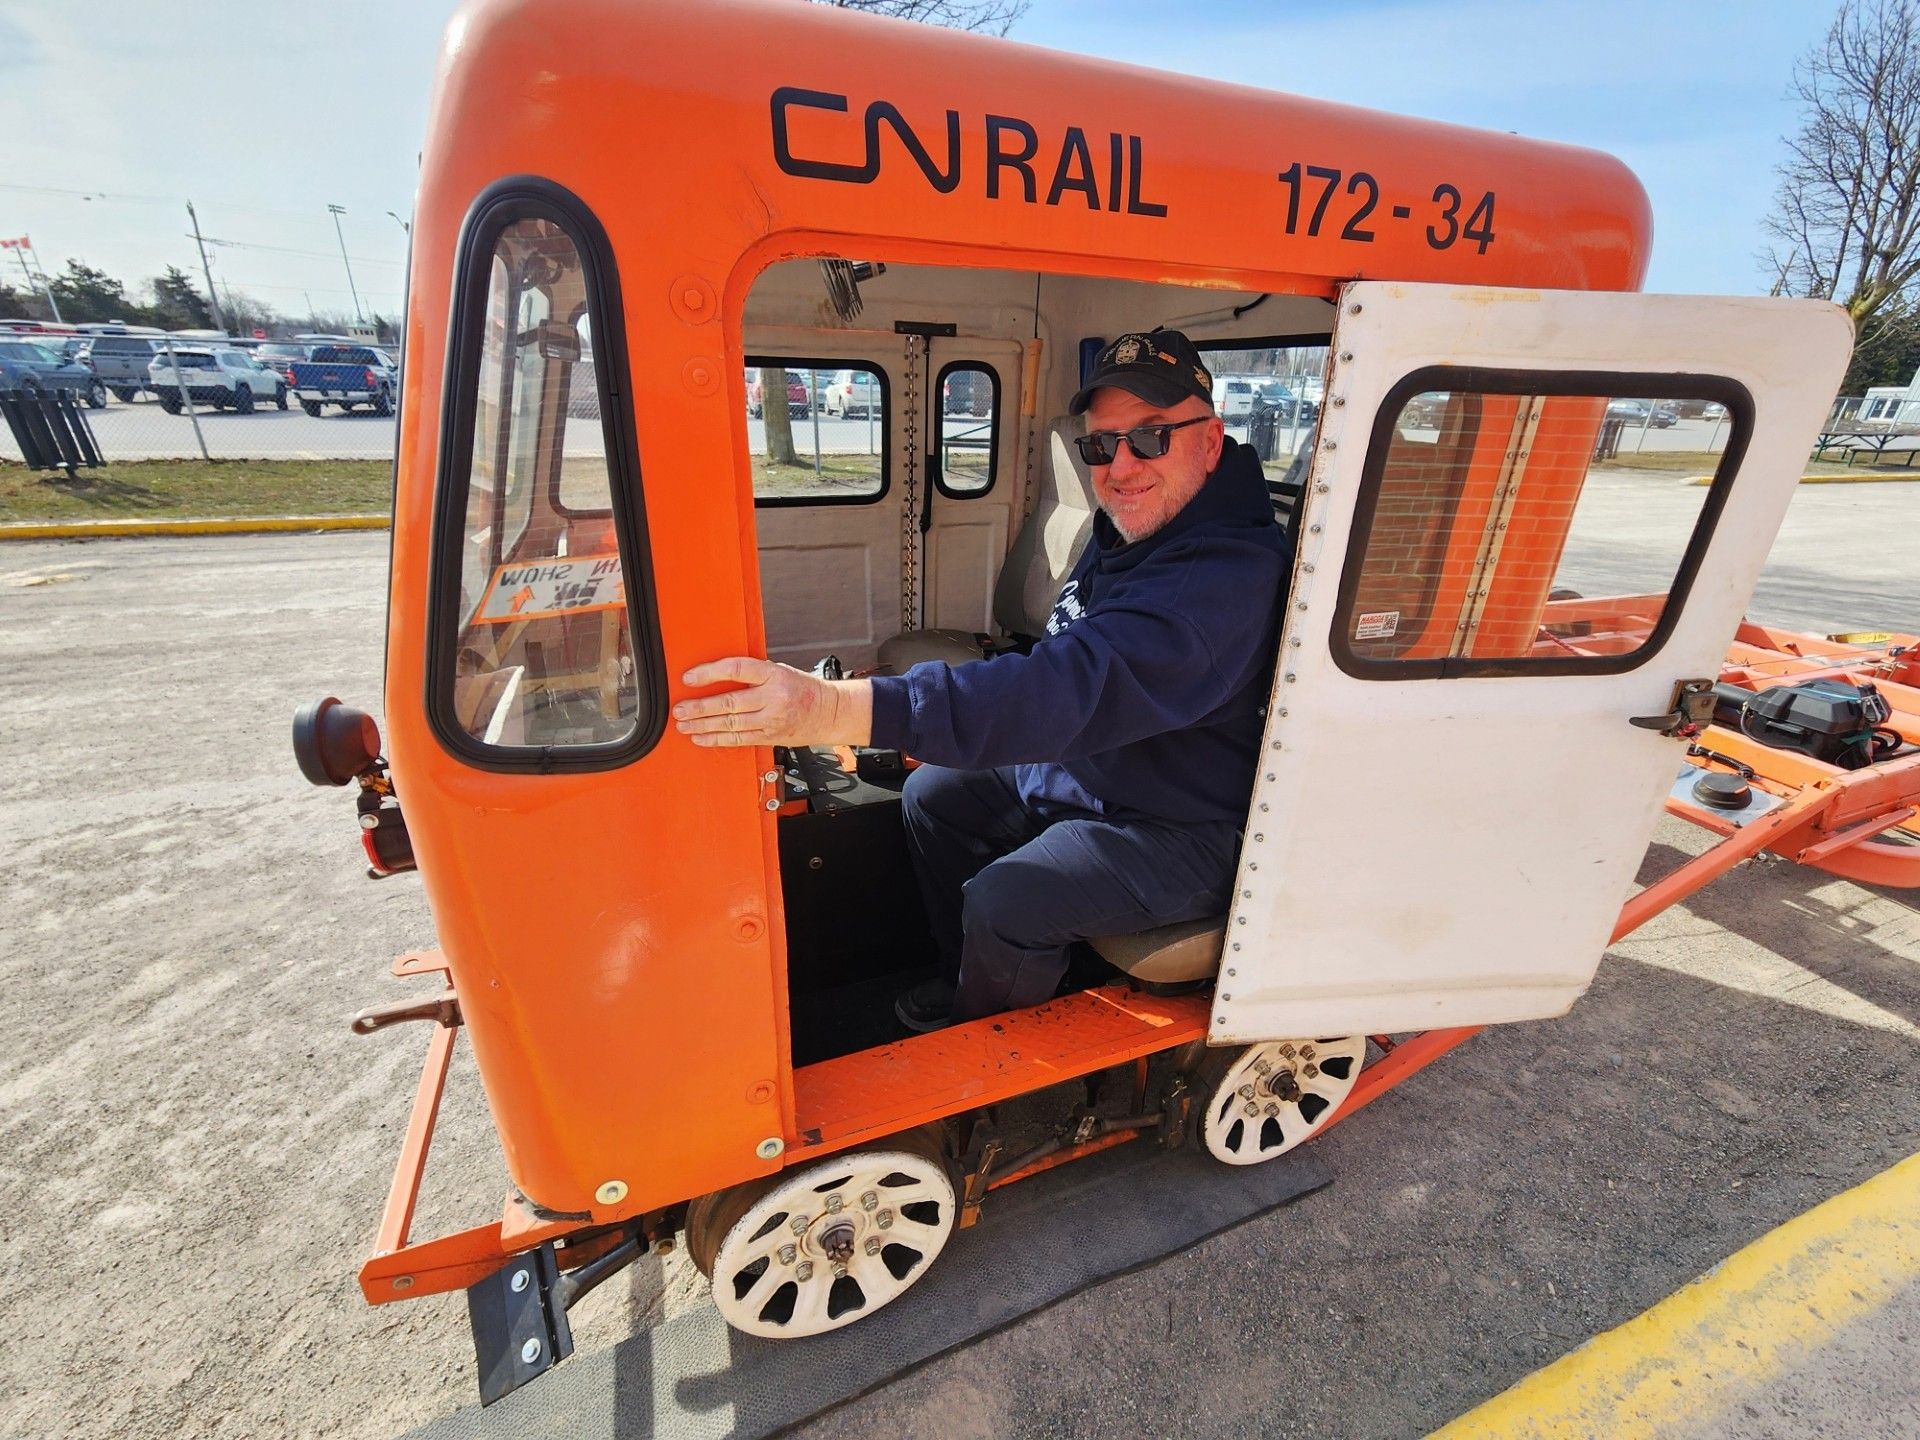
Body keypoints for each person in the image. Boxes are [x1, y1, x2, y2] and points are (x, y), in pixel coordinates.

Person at [674, 328, 1291, 1032]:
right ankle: (969, 974)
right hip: (1105, 766)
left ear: (1210, 441)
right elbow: (1068, 654)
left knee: (1009, 900)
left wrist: (832, 707)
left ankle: (992, 1050)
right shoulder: (1135, 526)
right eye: (1100, 444)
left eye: (1150, 438)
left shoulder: (1223, 577)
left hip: (1181, 817)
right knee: (935, 792)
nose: (1120, 466)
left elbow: (1068, 687)